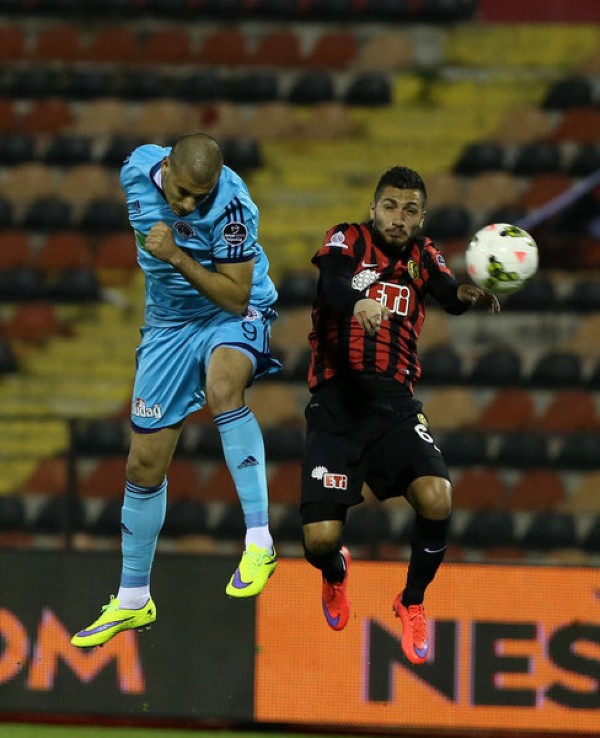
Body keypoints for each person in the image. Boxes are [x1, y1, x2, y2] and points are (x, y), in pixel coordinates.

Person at [72, 133, 280, 648]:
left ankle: (259, 541)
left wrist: (177, 256)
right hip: (167, 327)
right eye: (182, 192)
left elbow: (236, 297)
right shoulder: (135, 169)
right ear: (165, 167)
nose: (187, 204)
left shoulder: (233, 207)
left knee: (224, 385)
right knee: (143, 466)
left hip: (230, 314)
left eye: (198, 196)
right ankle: (132, 599)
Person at [300, 166, 500, 664]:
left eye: (410, 210)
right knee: (319, 541)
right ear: (374, 208)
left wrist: (465, 295)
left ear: (421, 218)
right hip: (336, 403)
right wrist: (359, 303)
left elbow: (448, 292)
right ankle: (335, 572)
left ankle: (411, 601)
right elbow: (334, 284)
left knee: (438, 498)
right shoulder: (347, 238)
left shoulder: (423, 255)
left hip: (395, 405)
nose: (398, 217)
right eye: (390, 206)